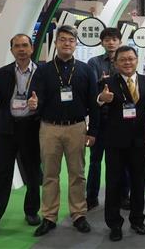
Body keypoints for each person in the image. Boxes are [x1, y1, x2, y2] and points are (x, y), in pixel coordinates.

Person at [30, 25, 99, 237]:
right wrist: (34, 104)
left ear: (76, 44)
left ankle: (78, 214)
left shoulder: (86, 70)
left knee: (77, 174)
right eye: (62, 39)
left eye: (71, 40)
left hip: (77, 127)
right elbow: (36, 97)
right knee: (50, 174)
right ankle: (49, 216)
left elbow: (93, 103)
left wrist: (92, 131)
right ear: (56, 42)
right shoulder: (43, 70)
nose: (67, 43)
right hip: (49, 128)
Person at [96, 46, 145, 242]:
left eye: (131, 59)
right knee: (113, 183)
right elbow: (94, 105)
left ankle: (137, 219)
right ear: (116, 63)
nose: (127, 62)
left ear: (137, 60)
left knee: (138, 182)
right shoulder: (107, 83)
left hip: (140, 142)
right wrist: (102, 99)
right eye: (123, 59)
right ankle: (114, 224)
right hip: (115, 142)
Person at [0, 34, 41, 238]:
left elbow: (48, 99)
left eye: (25, 45)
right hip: (6, 132)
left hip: (31, 131)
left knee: (33, 175)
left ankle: (31, 211)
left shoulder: (41, 72)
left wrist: (38, 104)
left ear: (31, 48)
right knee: (0, 176)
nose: (21, 49)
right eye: (17, 46)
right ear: (12, 50)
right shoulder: (3, 72)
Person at [86, 27, 130, 210]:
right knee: (95, 160)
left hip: (121, 118)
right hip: (100, 118)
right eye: (107, 40)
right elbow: (90, 88)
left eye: (114, 39)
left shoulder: (126, 60)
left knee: (123, 160)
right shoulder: (94, 62)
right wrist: (101, 82)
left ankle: (124, 196)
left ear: (119, 41)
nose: (111, 43)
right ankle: (91, 196)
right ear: (102, 42)